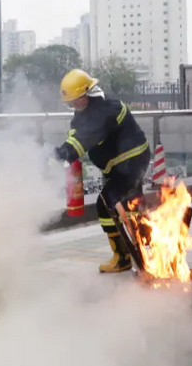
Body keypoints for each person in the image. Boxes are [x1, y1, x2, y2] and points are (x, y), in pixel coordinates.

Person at [53, 69, 150, 273]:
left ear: (86, 94)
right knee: (129, 205)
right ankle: (143, 247)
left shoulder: (108, 109)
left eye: (75, 100)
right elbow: (76, 135)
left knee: (107, 203)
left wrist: (66, 152)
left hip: (131, 163)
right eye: (69, 102)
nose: (72, 105)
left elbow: (86, 137)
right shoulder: (82, 114)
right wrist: (63, 152)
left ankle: (128, 255)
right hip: (118, 168)